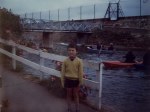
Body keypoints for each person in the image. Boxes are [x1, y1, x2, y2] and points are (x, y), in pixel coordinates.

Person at [61, 43, 83, 112]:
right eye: (69, 50)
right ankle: (69, 108)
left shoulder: (79, 61)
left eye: (73, 50)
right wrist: (62, 82)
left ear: (76, 52)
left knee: (76, 95)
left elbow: (80, 73)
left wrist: (80, 82)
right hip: (68, 80)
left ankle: (77, 109)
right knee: (69, 95)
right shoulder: (65, 61)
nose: (71, 52)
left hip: (76, 80)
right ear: (67, 51)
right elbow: (63, 73)